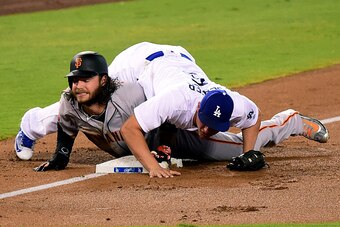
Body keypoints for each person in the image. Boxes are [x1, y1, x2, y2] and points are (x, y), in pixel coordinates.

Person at [16, 42, 329, 178]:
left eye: (210, 126)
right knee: (90, 101)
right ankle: (30, 126)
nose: (206, 130)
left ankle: (289, 121)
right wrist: (154, 163)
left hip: (179, 59)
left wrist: (249, 151)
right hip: (136, 64)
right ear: (194, 112)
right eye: (202, 125)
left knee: (216, 144)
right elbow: (131, 127)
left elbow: (251, 116)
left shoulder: (228, 100)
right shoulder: (171, 100)